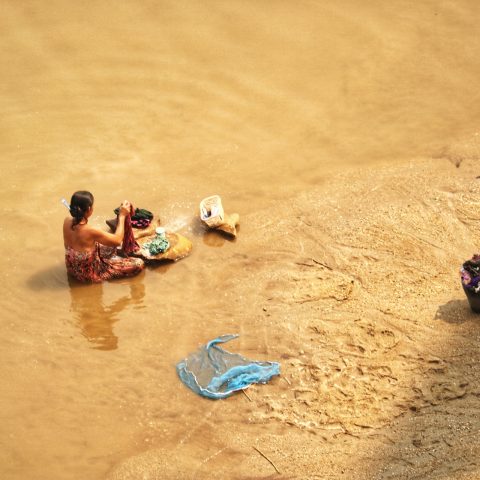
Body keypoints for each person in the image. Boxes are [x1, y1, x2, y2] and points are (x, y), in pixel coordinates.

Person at [63, 191, 144, 283]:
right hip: (89, 275)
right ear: (89, 209)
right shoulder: (90, 231)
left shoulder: (67, 221)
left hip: (72, 269)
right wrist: (122, 216)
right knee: (139, 263)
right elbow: (117, 240)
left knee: (111, 246)